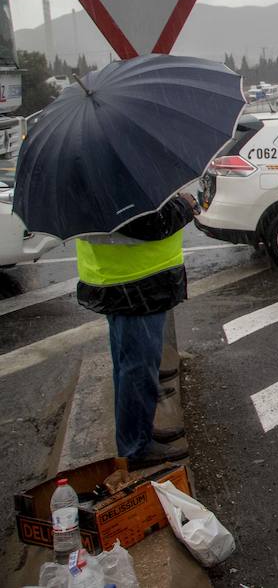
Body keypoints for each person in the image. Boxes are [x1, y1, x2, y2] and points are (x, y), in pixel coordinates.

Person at [76, 194, 198, 468]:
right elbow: (149, 223)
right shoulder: (116, 176)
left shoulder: (97, 173)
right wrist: (185, 206)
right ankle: (136, 448)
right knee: (138, 370)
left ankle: (138, 432)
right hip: (136, 283)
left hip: (121, 279)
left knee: (128, 368)